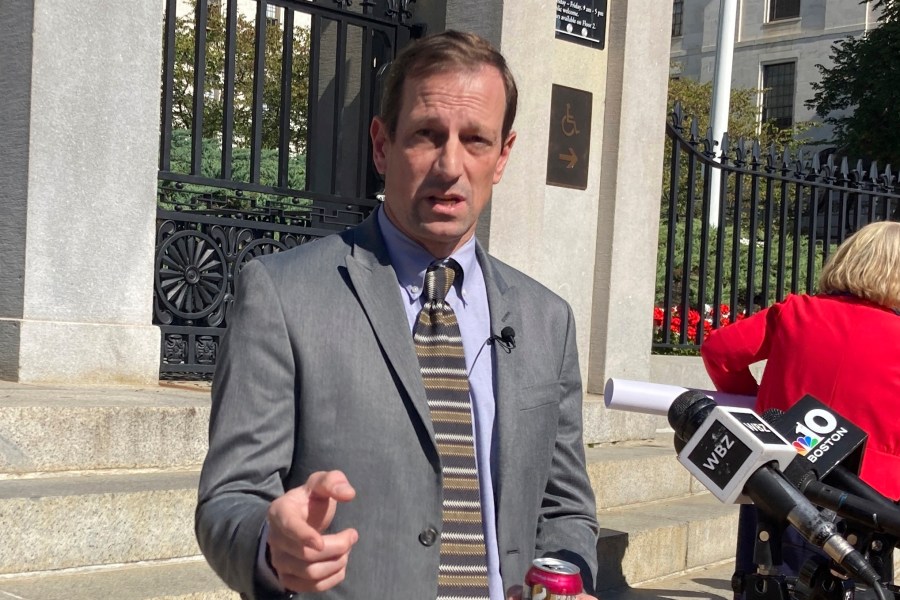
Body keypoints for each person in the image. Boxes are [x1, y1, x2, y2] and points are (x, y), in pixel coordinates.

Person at [195, 30, 599, 600]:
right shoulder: (282, 295)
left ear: (503, 156)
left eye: (476, 140)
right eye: (427, 136)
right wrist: (272, 546)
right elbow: (228, 499)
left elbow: (566, 508)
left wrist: (566, 578)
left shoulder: (546, 319)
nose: (450, 165)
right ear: (382, 145)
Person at [700, 220, 900, 592]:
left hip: (782, 475)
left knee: (766, 584)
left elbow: (720, 351)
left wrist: (756, 400)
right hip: (867, 497)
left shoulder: (796, 311)